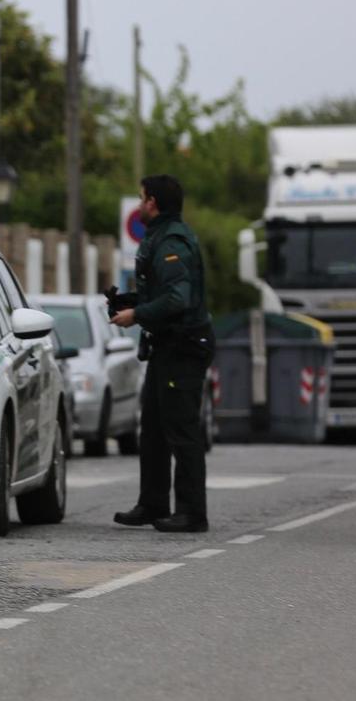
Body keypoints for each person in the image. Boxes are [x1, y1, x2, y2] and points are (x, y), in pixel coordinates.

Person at [110, 174, 215, 533]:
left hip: (183, 347)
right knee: (153, 429)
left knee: (181, 431)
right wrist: (131, 302)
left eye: (142, 199)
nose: (139, 206)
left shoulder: (172, 240)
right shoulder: (160, 236)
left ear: (153, 202)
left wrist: (136, 315)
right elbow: (164, 292)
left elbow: (177, 299)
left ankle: (191, 513)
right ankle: (153, 503)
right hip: (166, 347)